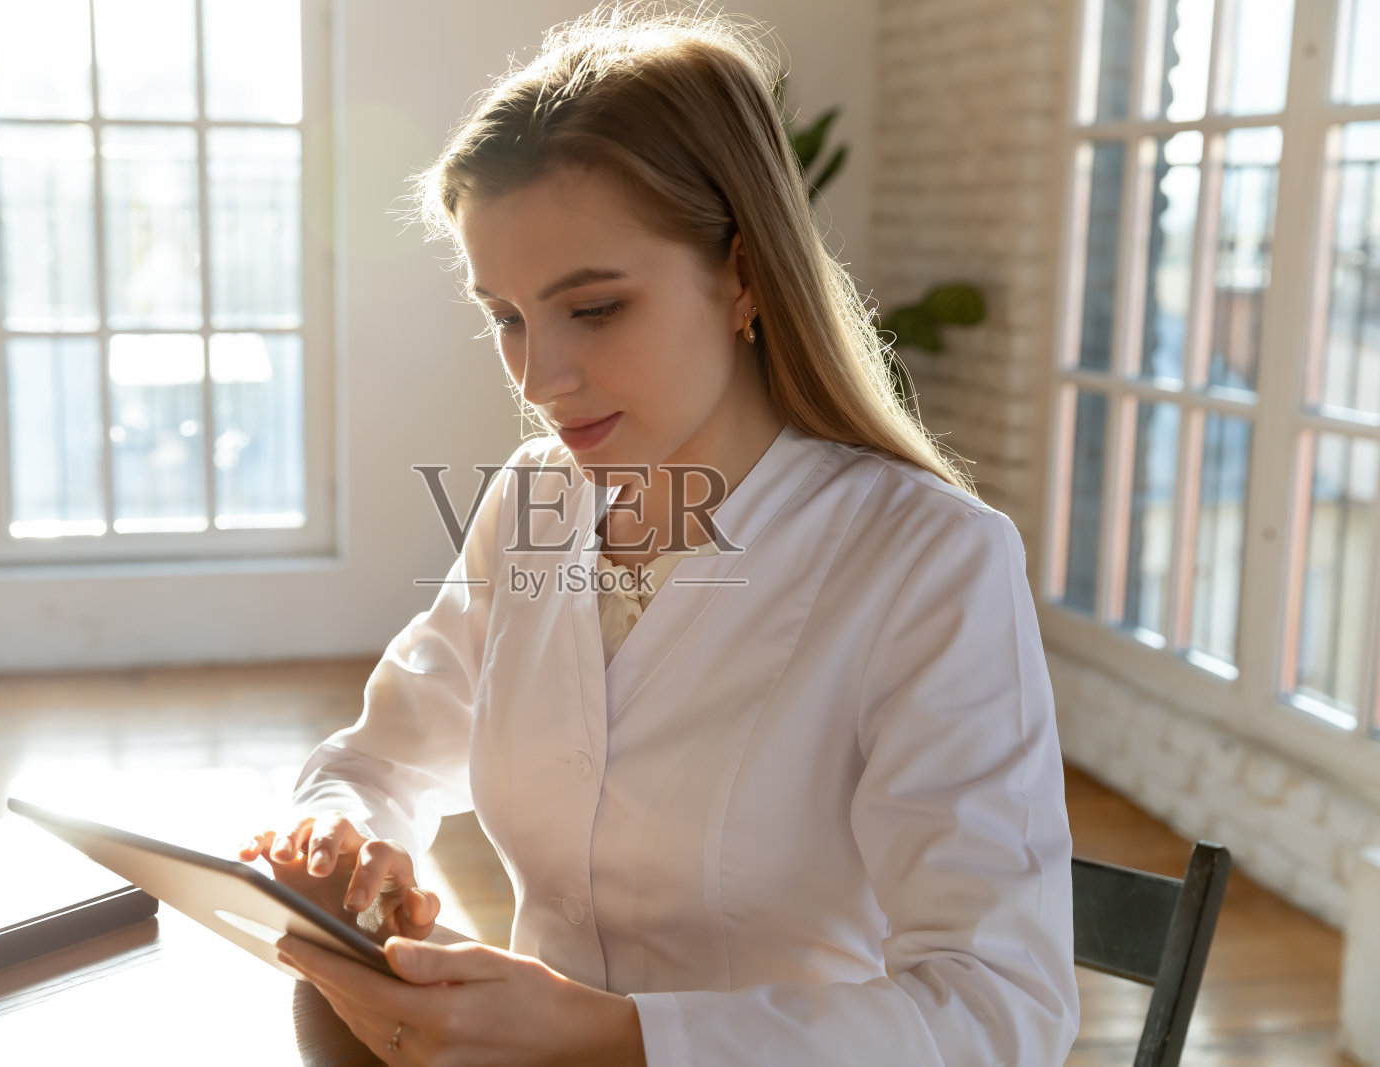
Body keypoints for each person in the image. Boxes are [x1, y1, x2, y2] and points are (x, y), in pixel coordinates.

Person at [238, 2, 1080, 1062]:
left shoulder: (929, 560)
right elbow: (380, 758)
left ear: (742, 275)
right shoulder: (535, 503)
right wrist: (344, 835)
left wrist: (608, 1032)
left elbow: (1001, 1014)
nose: (539, 378)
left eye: (593, 309)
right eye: (506, 314)